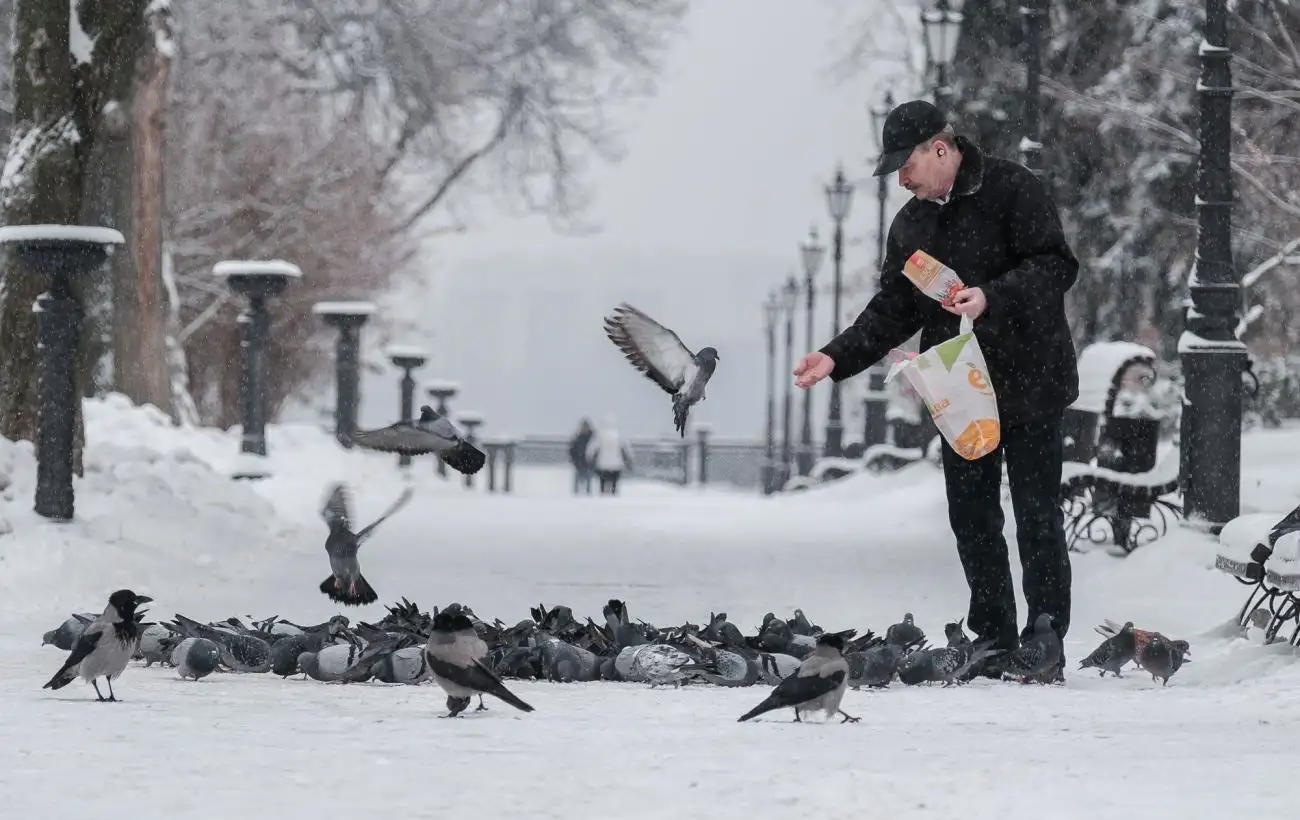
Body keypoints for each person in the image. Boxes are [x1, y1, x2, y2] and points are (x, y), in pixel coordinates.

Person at [793, 100, 1079, 683]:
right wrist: (835, 354)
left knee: (1036, 511)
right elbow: (894, 309)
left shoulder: (1011, 187)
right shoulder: (912, 225)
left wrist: (991, 296)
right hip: (959, 387)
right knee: (970, 513)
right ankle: (993, 635)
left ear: (940, 149)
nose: (901, 178)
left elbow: (1055, 266)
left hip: (1030, 378)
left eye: (907, 164)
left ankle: (1045, 636)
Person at [587, 414, 633, 495]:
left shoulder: (599, 435)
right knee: (614, 485)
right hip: (616, 465)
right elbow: (626, 450)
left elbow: (592, 450)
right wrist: (628, 462)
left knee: (603, 484)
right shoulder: (620, 435)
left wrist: (591, 461)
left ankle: (603, 495)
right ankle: (613, 497)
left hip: (602, 465)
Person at [568, 418, 595, 495]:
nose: (584, 429)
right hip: (579, 464)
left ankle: (589, 494)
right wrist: (575, 461)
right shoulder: (577, 438)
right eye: (583, 427)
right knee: (577, 484)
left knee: (589, 483)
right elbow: (572, 451)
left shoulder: (593, 439)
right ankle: (576, 495)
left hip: (589, 465)